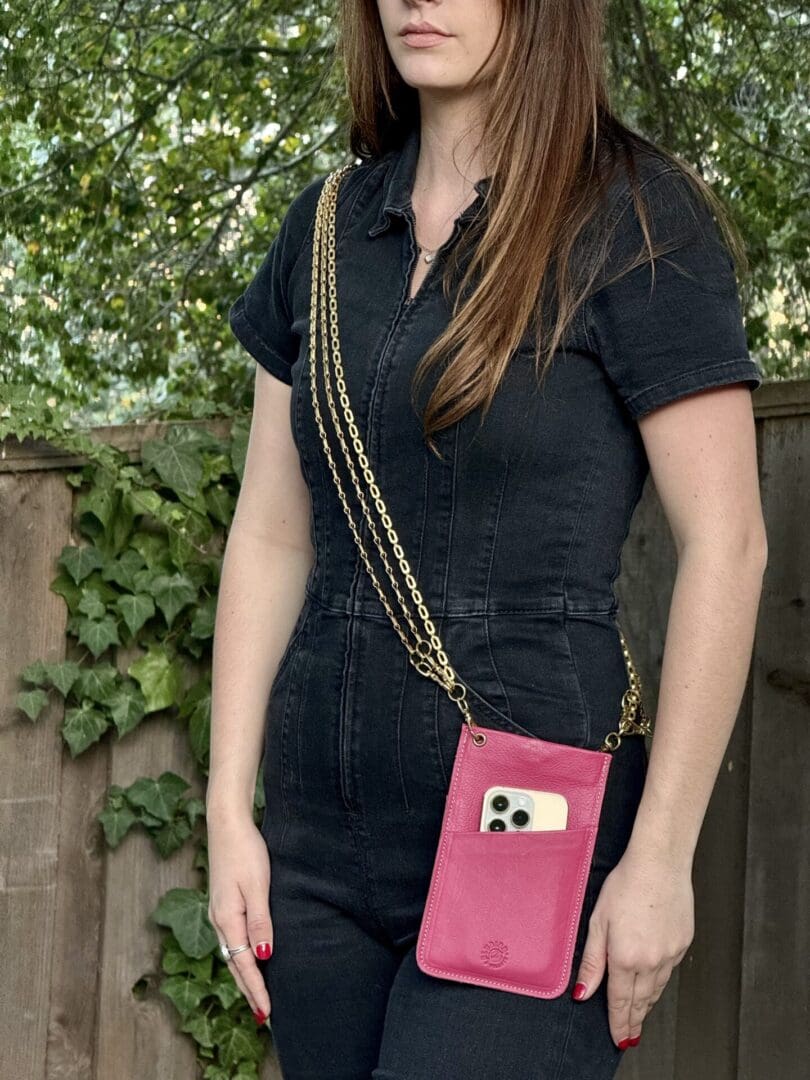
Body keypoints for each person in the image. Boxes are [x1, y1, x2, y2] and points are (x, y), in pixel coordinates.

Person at [206, 2, 768, 1077]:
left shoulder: (637, 219)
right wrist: (232, 806)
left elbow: (729, 546)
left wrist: (661, 857)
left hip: (536, 809)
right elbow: (274, 534)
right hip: (318, 834)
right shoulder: (322, 231)